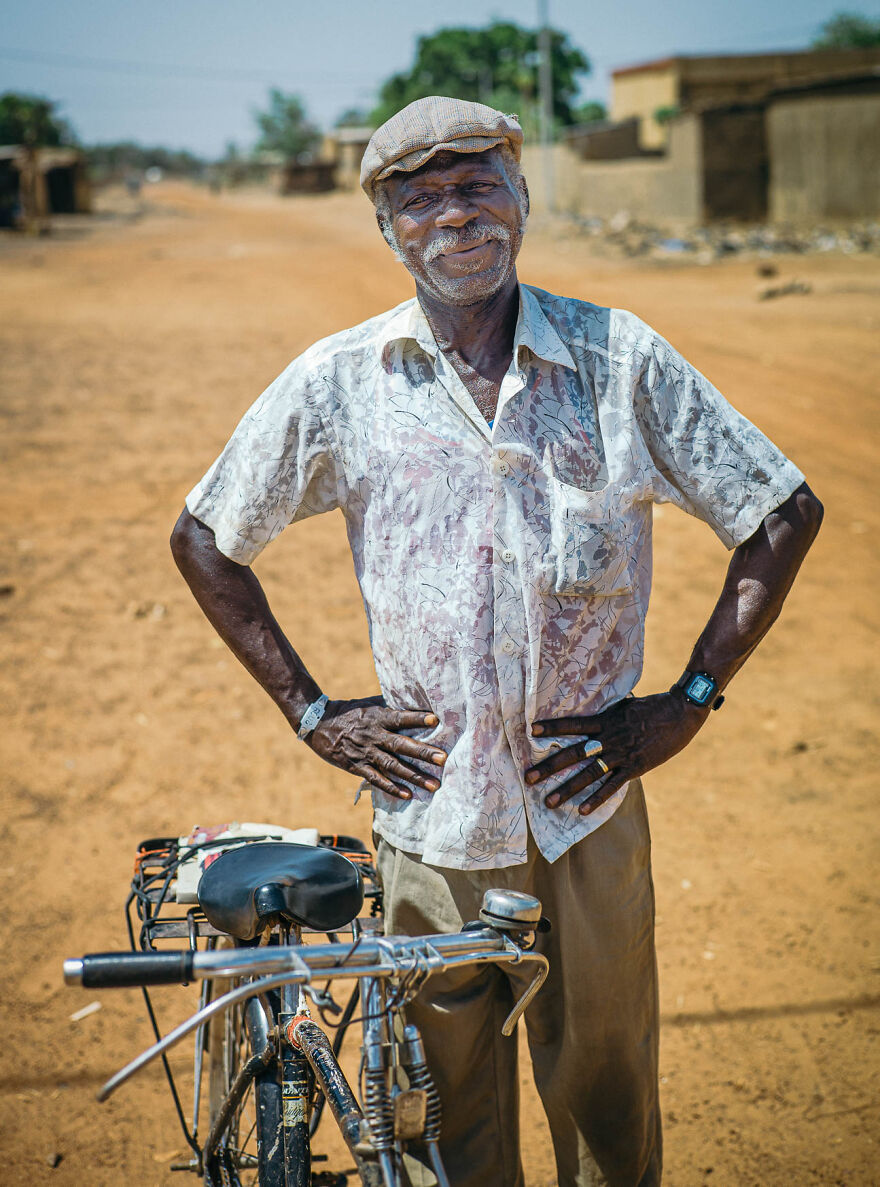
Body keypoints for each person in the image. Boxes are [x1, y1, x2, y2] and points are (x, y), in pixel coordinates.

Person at [170, 97, 823, 1187]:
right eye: (419, 199)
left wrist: (688, 697)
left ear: (521, 202)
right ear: (389, 232)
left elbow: (780, 511)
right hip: (430, 817)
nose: (454, 216)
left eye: (478, 186)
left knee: (610, 1098)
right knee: (439, 1109)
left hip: (588, 811)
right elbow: (205, 535)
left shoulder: (618, 361)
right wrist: (315, 711)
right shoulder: (344, 383)